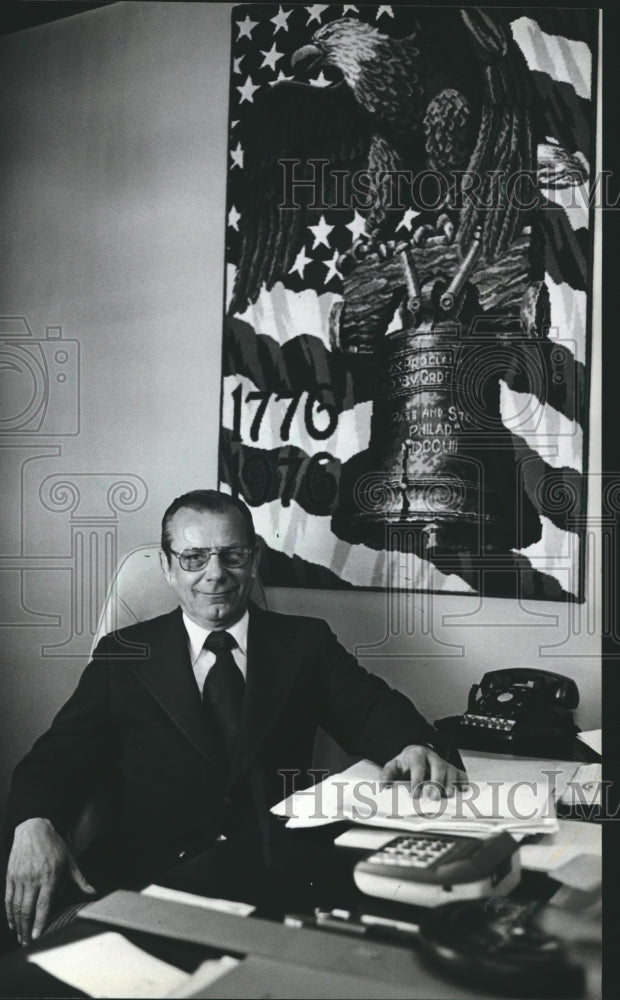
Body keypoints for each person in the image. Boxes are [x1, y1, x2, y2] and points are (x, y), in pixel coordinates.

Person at [4, 490, 465, 947]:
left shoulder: (305, 643)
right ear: (167, 567)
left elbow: (370, 710)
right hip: (152, 883)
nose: (215, 574)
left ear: (255, 558)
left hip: (274, 879)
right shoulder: (123, 656)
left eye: (232, 555)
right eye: (193, 558)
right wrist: (33, 821)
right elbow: (57, 756)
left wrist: (413, 745)